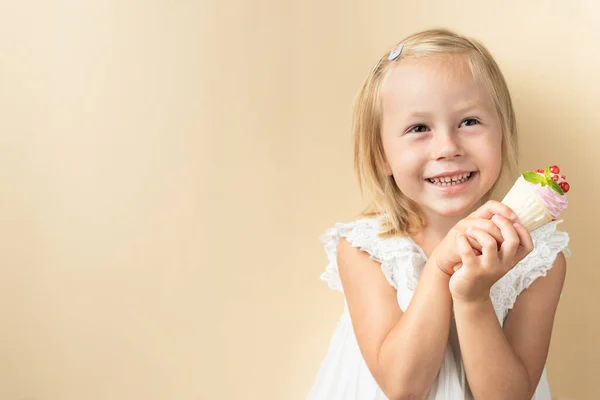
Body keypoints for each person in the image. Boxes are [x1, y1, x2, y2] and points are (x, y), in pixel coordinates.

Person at [307, 28, 570, 400]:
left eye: (469, 122)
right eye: (419, 128)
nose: (447, 147)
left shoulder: (535, 257)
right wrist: (440, 268)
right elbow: (404, 388)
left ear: (502, 134)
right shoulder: (365, 250)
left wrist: (473, 297)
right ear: (382, 154)